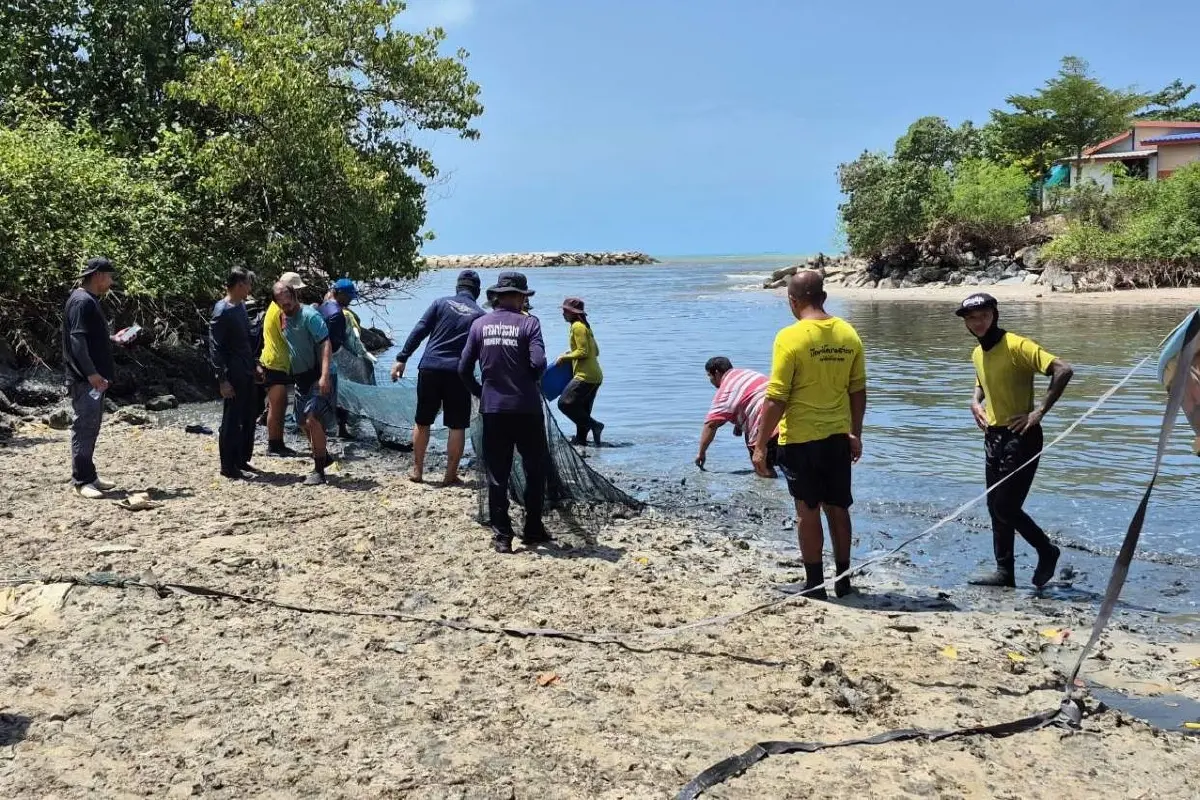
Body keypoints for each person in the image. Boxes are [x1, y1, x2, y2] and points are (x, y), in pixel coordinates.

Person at [755, 270, 866, 600]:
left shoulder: (790, 337)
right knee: (839, 507)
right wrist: (855, 433)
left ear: (792, 300)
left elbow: (776, 396)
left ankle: (814, 584)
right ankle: (843, 580)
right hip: (837, 438)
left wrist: (760, 444)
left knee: (807, 510)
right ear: (824, 297)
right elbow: (858, 390)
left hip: (800, 439)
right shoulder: (848, 334)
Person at [957, 292, 1073, 589]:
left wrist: (1039, 413)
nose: (978, 322)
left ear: (994, 314)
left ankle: (1047, 550)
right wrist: (974, 401)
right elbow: (983, 382)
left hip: (1023, 436)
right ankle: (1004, 572)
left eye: (983, 315)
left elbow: (1063, 370)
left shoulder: (1018, 345)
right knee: (994, 505)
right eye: (971, 318)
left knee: (1006, 507)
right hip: (993, 436)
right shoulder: (977, 353)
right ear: (966, 323)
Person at [458, 271, 550, 553]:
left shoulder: (479, 325)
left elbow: (462, 368)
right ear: (521, 297)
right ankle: (533, 528)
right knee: (535, 470)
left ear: (496, 297)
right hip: (527, 409)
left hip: (493, 409)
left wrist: (479, 391)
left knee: (498, 473)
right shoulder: (529, 324)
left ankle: (502, 536)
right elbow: (539, 363)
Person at [391, 270, 484, 484]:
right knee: (457, 426)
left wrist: (401, 358)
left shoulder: (440, 303)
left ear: (457, 288)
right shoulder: (480, 316)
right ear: (477, 291)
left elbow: (420, 329)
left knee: (422, 421)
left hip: (430, 368)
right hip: (458, 372)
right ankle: (450, 475)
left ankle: (417, 470)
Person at [62, 257, 121, 499]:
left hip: (93, 379)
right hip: (84, 379)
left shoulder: (90, 301)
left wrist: (113, 340)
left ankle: (90, 475)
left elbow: (90, 338)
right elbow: (77, 340)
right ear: (97, 275)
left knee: (92, 427)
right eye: (109, 276)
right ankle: (81, 481)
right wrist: (92, 373)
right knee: (84, 427)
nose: (111, 281)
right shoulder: (81, 302)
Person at [274, 281, 335, 485]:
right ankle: (323, 456)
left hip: (319, 374)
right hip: (301, 378)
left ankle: (319, 470)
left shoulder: (310, 316)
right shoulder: (282, 317)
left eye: (288, 303)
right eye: (282, 305)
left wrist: (325, 376)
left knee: (312, 418)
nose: (286, 308)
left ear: (294, 297)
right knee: (301, 422)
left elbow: (326, 343)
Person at [209, 267, 258, 480]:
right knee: (232, 418)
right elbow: (215, 346)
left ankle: (241, 459)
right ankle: (228, 465)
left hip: (246, 367)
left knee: (247, 415)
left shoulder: (239, 307)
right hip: (233, 371)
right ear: (239, 285)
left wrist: (255, 363)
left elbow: (246, 339)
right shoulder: (222, 310)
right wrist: (222, 379)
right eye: (248, 284)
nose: (250, 288)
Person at [696, 357, 777, 475]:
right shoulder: (747, 374)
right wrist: (739, 425)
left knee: (762, 467)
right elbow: (750, 398)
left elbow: (711, 424)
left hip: (766, 425)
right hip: (785, 416)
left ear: (717, 373)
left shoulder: (725, 391)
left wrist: (701, 453)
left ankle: (766, 484)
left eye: (709, 376)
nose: (710, 380)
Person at [259, 271, 306, 456]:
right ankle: (274, 444)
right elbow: (290, 334)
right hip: (275, 362)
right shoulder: (281, 311)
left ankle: (277, 443)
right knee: (277, 404)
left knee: (279, 403)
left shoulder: (274, 306)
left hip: (276, 361)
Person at [326, 277, 376, 438]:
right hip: (334, 362)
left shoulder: (325, 306)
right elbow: (337, 344)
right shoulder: (338, 315)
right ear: (339, 293)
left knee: (337, 394)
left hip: (325, 360)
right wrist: (356, 359)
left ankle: (335, 427)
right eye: (348, 297)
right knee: (344, 394)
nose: (350, 300)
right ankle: (341, 429)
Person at [555, 297, 604, 446]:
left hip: (585, 376)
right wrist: (572, 351)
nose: (563, 313)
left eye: (565, 311)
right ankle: (581, 440)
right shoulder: (585, 326)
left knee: (565, 403)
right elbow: (595, 351)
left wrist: (565, 357)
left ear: (573, 313)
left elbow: (583, 352)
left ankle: (596, 425)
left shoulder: (577, 326)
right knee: (582, 409)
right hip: (596, 376)